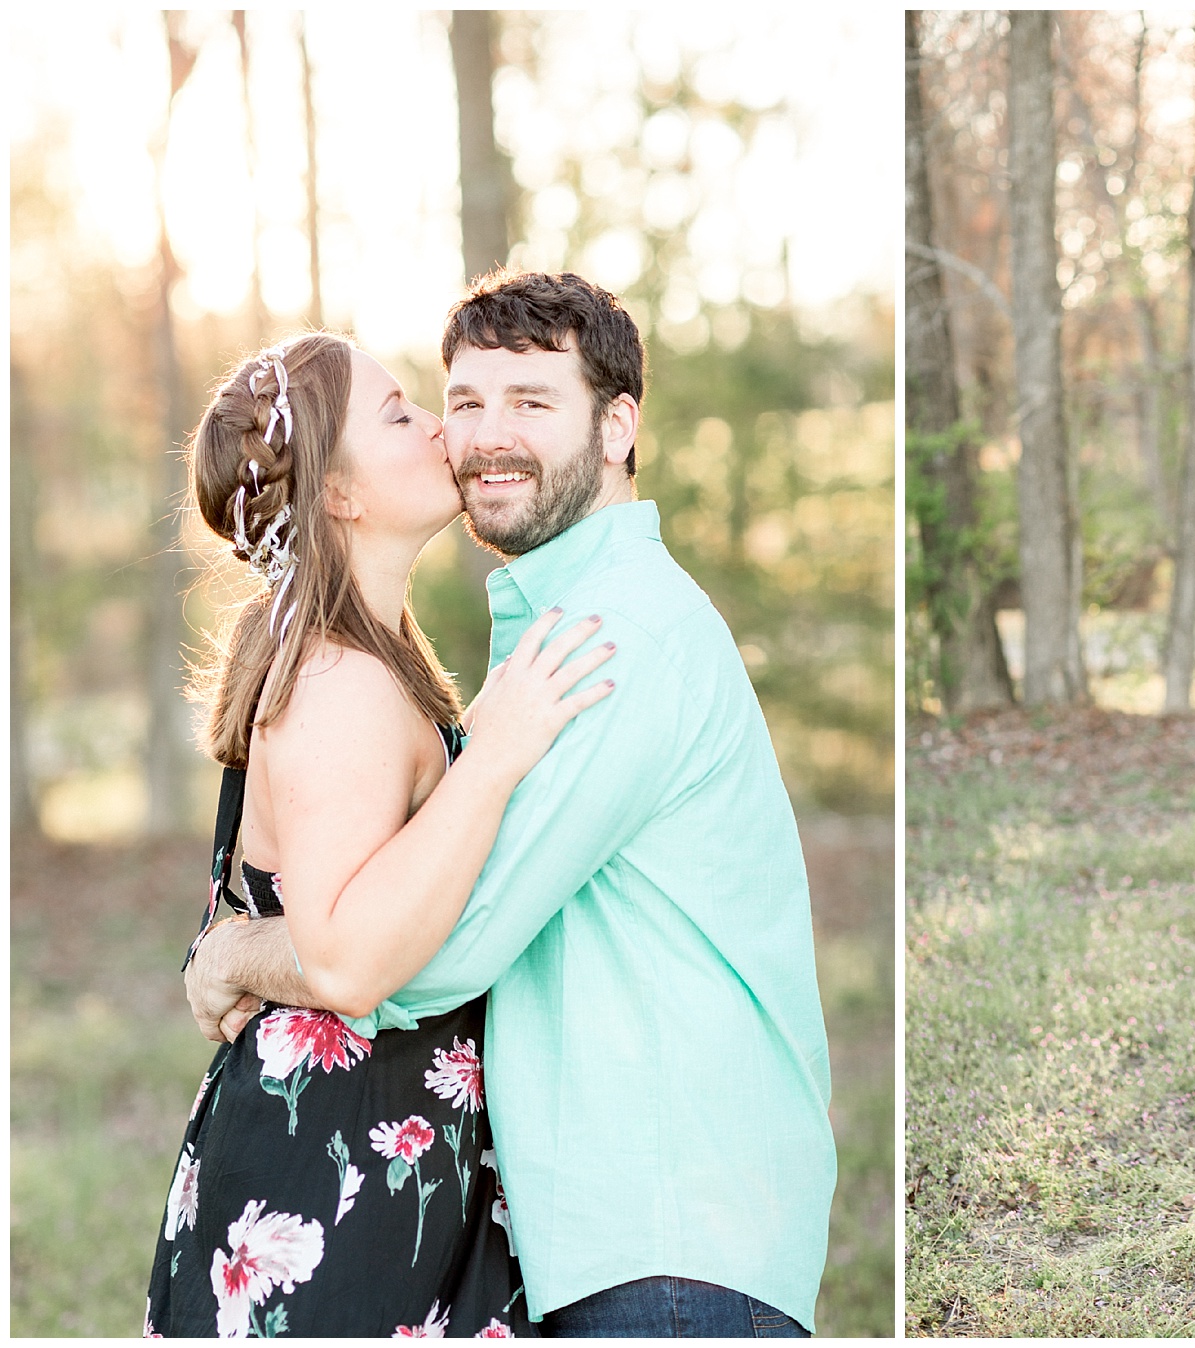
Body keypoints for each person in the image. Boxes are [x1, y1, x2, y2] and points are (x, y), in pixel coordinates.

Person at [183, 271, 837, 1337]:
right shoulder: (522, 640)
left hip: (666, 1233)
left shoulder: (608, 638)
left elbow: (435, 945)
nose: (477, 436)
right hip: (580, 1229)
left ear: (620, 427)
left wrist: (240, 954)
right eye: (460, 400)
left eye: (532, 403)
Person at [147, 333, 617, 1337]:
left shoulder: (369, 654)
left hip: (370, 1139)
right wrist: (498, 754)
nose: (440, 428)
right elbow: (350, 957)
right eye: (400, 413)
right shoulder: (337, 681)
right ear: (340, 496)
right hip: (332, 1162)